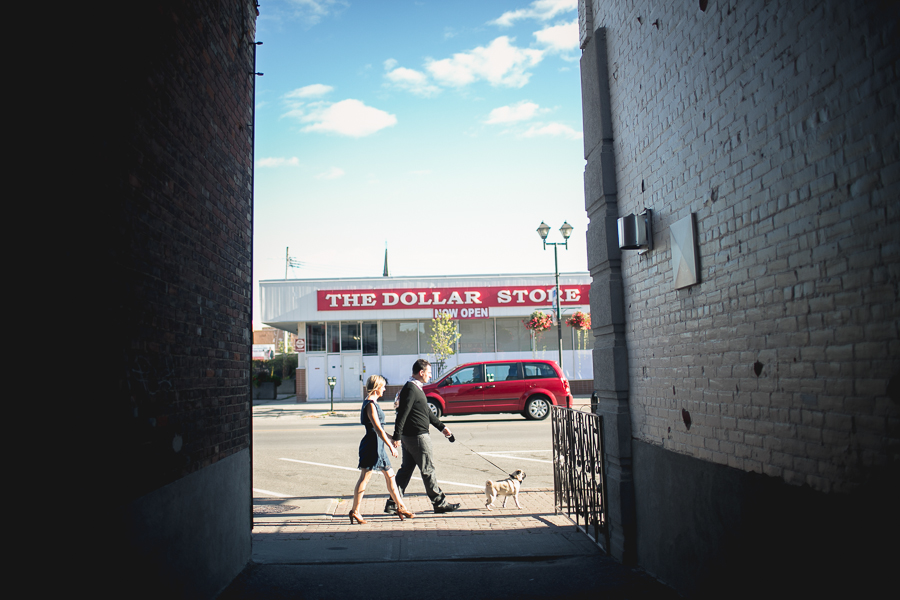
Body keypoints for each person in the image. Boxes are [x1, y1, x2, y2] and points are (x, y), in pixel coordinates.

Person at [386, 358, 460, 515]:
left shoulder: (416, 388)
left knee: (406, 470)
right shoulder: (411, 389)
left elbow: (426, 411)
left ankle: (393, 503)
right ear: (421, 373)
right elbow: (402, 414)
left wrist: (442, 428)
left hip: (412, 436)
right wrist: (397, 437)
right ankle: (439, 503)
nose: (430, 376)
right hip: (417, 437)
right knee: (428, 469)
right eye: (429, 373)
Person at [349, 375, 414, 524]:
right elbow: (377, 429)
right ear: (377, 387)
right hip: (372, 446)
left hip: (378, 445)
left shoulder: (373, 403)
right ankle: (355, 511)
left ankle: (400, 506)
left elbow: (381, 429)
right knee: (365, 478)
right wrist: (391, 446)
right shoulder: (370, 404)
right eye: (383, 386)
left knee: (390, 476)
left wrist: (391, 438)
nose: (384, 389)